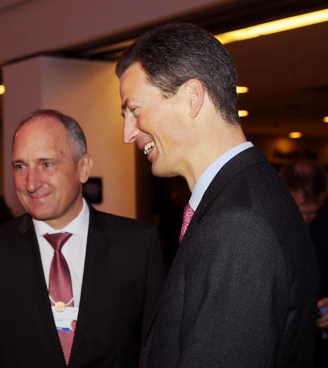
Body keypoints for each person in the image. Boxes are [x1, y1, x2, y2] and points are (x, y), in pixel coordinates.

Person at [116, 23, 318, 367]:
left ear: (192, 97)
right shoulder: (244, 195)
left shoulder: (240, 225)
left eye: (134, 110)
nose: (127, 133)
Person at [0, 109, 166, 367]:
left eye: (46, 164)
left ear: (83, 168)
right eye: (20, 166)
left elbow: (161, 351)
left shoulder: (137, 246)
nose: (31, 183)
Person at [280, 160, 328, 367]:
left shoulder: (325, 225)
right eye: (301, 211)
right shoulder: (264, 227)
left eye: (313, 212)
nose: (307, 219)